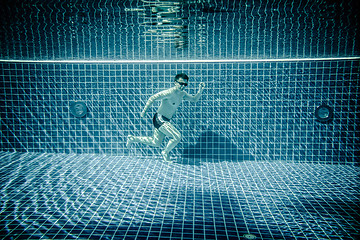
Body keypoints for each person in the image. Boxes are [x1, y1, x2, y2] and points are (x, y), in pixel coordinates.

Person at [127, 73, 205, 162]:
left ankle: (132, 138)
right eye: (181, 83)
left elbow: (194, 99)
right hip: (160, 118)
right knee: (177, 136)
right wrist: (144, 111)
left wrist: (200, 91)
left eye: (185, 84)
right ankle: (165, 152)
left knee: (155, 143)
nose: (183, 86)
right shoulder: (169, 92)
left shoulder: (182, 94)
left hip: (164, 120)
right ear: (175, 82)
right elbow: (153, 98)